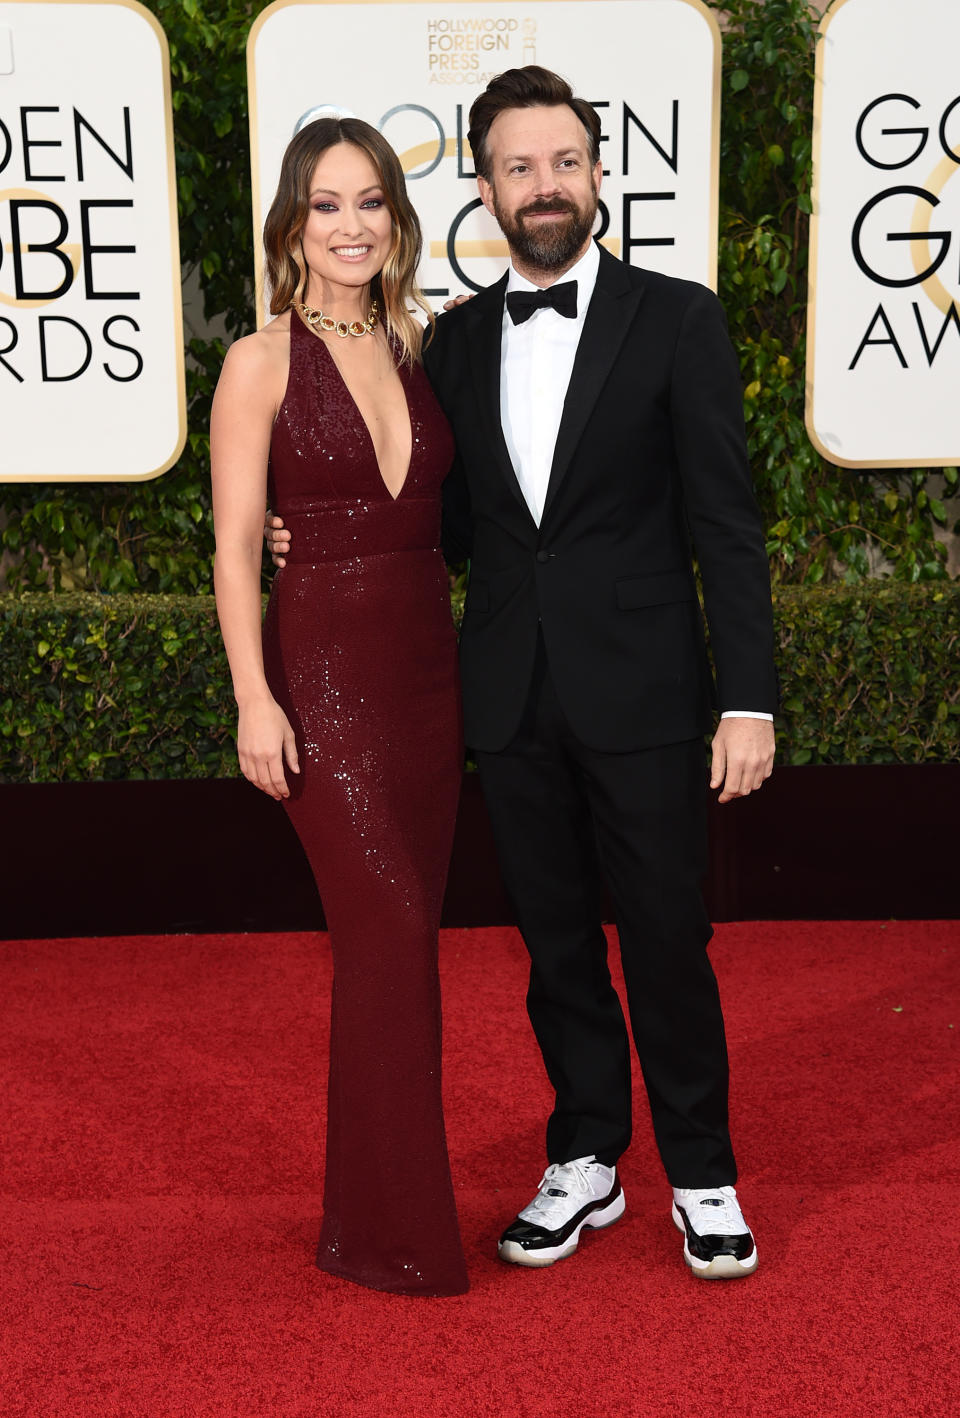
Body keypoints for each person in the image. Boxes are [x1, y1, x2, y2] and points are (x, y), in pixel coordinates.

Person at [268, 67, 778, 1281]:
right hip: (503, 695)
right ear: (485, 190)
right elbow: (434, 520)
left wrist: (747, 697)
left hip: (650, 693)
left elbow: (728, 524)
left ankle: (702, 1170)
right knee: (553, 944)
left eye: (562, 163)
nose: (541, 187)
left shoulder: (679, 320)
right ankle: (587, 1156)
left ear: (597, 175)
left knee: (665, 935)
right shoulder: (447, 341)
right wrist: (308, 533)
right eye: (516, 167)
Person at [211, 117, 467, 1296]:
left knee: (400, 944)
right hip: (320, 678)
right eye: (327, 204)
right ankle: (389, 1230)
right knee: (391, 929)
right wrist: (254, 698)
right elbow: (231, 545)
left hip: (426, 674)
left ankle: (376, 1212)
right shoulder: (260, 360)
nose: (352, 225)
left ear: (397, 221)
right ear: (292, 223)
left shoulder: (420, 342)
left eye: (371, 202)